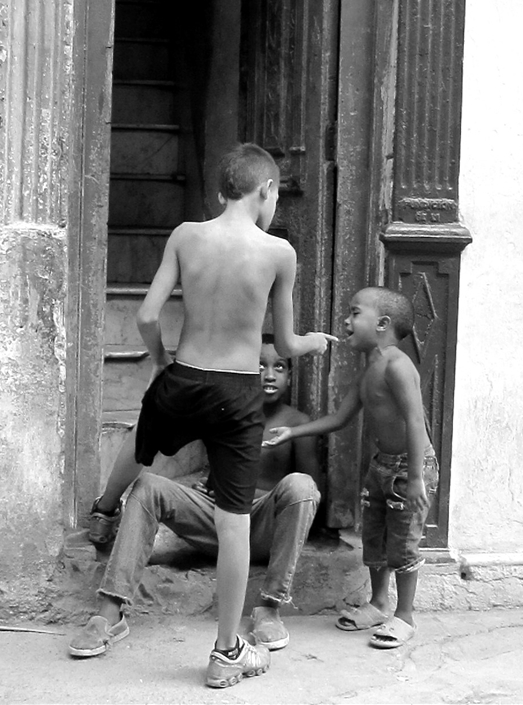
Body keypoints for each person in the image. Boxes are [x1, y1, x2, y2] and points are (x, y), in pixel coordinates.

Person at [73, 143, 336, 688]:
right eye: (275, 195)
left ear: (222, 190)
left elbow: (147, 314)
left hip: (186, 373)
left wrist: (165, 362)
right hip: (237, 390)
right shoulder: (278, 251)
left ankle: (102, 510)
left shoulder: (186, 235)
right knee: (233, 522)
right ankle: (224, 653)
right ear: (267, 190)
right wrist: (311, 343)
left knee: (145, 438)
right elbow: (282, 342)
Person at [68, 336, 321, 662]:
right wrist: (210, 485)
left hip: (258, 525)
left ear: (290, 375)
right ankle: (109, 613)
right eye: (259, 366)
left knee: (302, 486)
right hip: (215, 521)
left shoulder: (297, 423)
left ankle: (269, 607)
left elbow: (312, 498)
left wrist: (249, 498)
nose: (269, 375)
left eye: (279, 367)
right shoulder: (226, 407)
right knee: (147, 486)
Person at [264, 286, 439, 650]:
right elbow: (340, 418)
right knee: (373, 537)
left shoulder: (397, 365)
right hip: (381, 466)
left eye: (355, 312)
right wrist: (292, 432)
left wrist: (418, 479)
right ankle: (378, 603)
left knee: (403, 542)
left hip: (410, 466)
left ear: (383, 324)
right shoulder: (368, 371)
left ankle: (404, 616)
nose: (346, 319)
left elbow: (414, 422)